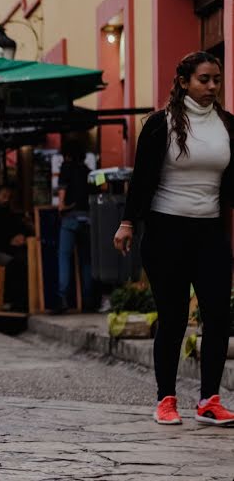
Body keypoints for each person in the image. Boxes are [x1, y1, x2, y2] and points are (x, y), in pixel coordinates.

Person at [114, 51, 234, 427]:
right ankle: (166, 398)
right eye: (204, 79)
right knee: (174, 316)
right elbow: (142, 177)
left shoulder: (228, 125)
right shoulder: (159, 124)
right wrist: (128, 223)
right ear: (184, 81)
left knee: (217, 314)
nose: (212, 86)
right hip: (166, 230)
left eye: (216, 79)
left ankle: (209, 400)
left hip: (210, 230)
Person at [56, 141, 93, 312]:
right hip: (87, 218)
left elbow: (62, 188)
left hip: (70, 217)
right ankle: (88, 300)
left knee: (64, 257)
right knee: (86, 261)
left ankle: (63, 298)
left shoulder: (66, 167)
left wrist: (62, 205)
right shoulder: (87, 171)